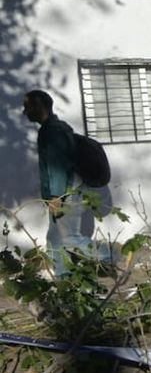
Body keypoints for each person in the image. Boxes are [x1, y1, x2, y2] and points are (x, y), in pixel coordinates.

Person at [22, 89, 92, 277]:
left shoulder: (51, 131)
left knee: (69, 239)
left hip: (64, 194)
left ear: (40, 106)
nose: (25, 112)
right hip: (67, 192)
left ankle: (110, 259)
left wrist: (55, 196)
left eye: (27, 107)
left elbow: (57, 165)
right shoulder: (57, 127)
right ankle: (65, 282)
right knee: (56, 240)